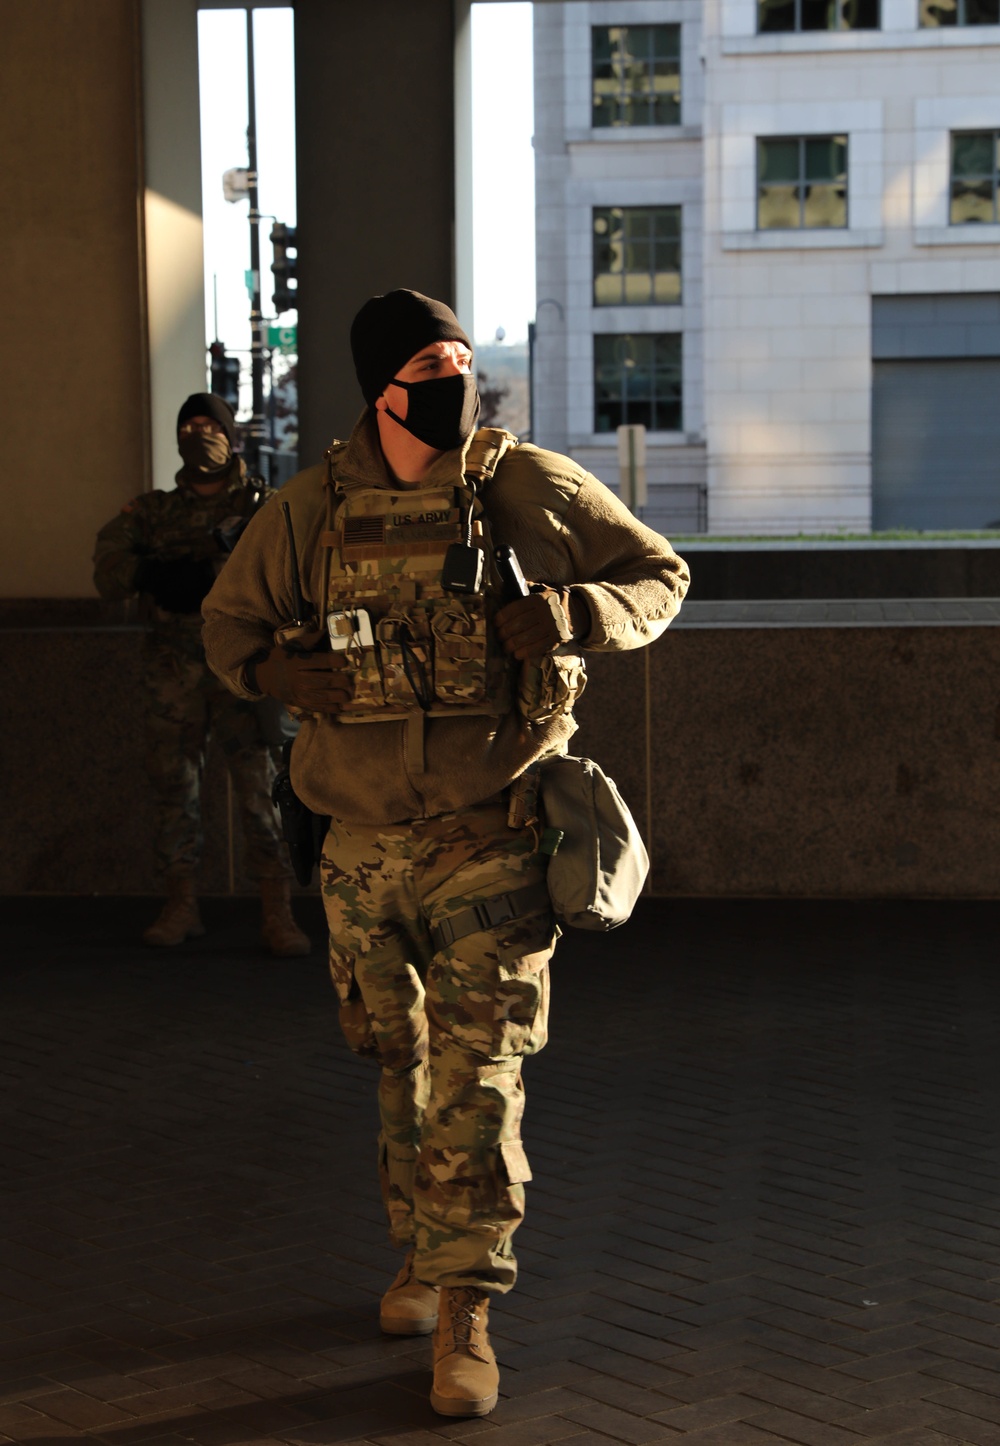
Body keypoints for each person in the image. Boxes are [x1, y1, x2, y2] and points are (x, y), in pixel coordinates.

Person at [201, 291, 689, 1417]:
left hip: (493, 835)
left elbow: (660, 576)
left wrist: (572, 615)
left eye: (464, 357)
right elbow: (227, 628)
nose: (457, 375)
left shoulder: (529, 487)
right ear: (382, 383)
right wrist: (279, 678)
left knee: (481, 1077)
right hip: (361, 849)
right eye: (433, 359)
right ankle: (418, 1258)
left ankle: (468, 1306)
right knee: (397, 1060)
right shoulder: (309, 508)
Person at [93, 392, 309, 957]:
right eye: (187, 425)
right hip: (174, 675)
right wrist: (153, 572)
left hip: (247, 673)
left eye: (209, 424)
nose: (198, 433)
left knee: (262, 791)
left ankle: (277, 910)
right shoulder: (153, 512)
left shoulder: (266, 505)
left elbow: (300, 572)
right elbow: (109, 571)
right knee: (174, 788)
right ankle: (180, 903)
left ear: (230, 434)